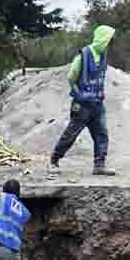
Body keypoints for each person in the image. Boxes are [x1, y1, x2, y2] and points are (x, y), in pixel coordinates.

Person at [50, 25, 117, 176]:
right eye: (109, 41)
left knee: (101, 134)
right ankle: (54, 160)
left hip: (97, 104)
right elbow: (71, 77)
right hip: (82, 105)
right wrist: (79, 94)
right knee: (71, 134)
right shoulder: (83, 55)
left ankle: (99, 165)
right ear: (102, 39)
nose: (111, 45)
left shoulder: (103, 55)